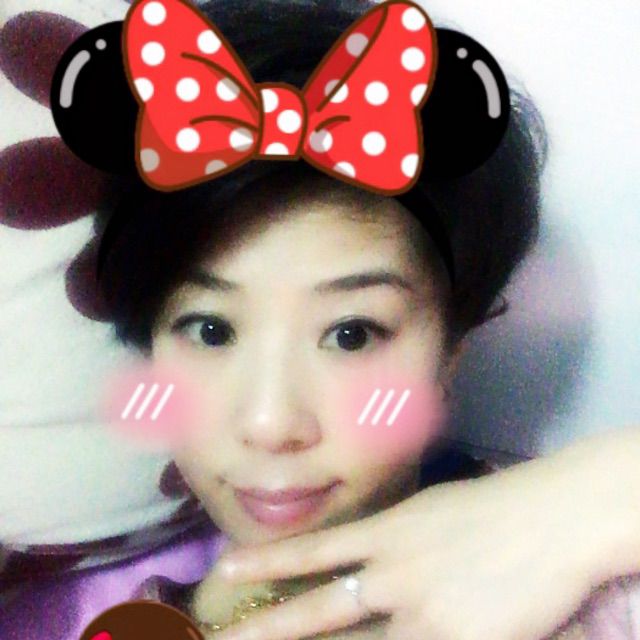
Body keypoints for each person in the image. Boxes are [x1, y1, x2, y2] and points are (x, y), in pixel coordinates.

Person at [2, 1, 639, 640]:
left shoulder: (589, 573)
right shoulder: (71, 615)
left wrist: (600, 496)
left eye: (350, 335)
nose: (270, 424)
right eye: (210, 330)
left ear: (452, 349)